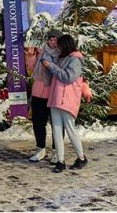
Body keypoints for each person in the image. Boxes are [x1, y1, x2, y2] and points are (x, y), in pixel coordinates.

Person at [42, 34, 92, 173]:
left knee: (70, 129)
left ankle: (81, 158)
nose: (58, 48)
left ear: (65, 45)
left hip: (67, 99)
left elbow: (67, 77)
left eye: (59, 46)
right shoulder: (62, 58)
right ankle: (60, 161)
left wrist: (52, 66)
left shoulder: (75, 59)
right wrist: (49, 68)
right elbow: (57, 75)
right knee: (57, 131)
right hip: (56, 98)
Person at [25, 29, 60, 162]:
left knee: (56, 124)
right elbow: (31, 69)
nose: (52, 42)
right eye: (50, 39)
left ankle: (57, 151)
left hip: (54, 92)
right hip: (38, 91)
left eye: (55, 39)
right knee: (38, 123)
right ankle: (40, 149)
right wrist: (30, 56)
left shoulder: (63, 54)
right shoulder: (41, 52)